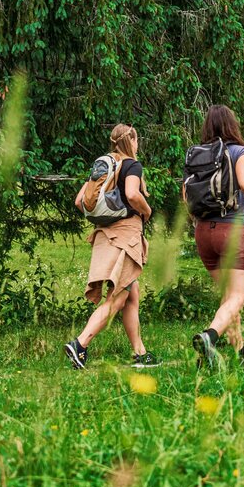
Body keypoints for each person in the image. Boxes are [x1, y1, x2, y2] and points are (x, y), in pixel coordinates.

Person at [65, 123, 155, 370]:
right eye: (136, 140)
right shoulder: (132, 165)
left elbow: (79, 201)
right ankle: (80, 344)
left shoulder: (104, 166)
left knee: (131, 294)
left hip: (105, 234)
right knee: (117, 298)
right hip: (126, 236)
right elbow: (133, 195)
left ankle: (140, 353)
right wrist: (147, 211)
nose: (138, 144)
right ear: (131, 141)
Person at [184, 104, 244, 369]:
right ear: (233, 125)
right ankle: (209, 337)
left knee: (229, 298)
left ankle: (242, 354)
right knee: (237, 297)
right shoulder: (240, 152)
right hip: (231, 230)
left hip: (203, 233)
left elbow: (186, 196)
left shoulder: (196, 155)